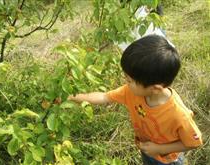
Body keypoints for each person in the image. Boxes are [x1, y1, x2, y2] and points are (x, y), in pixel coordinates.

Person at [68, 35, 202, 165]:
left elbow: (193, 143)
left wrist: (159, 149)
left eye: (129, 80)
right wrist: (71, 96)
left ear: (155, 88)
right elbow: (104, 97)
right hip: (147, 151)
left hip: (168, 160)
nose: (125, 83)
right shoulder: (131, 92)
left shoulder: (178, 114)